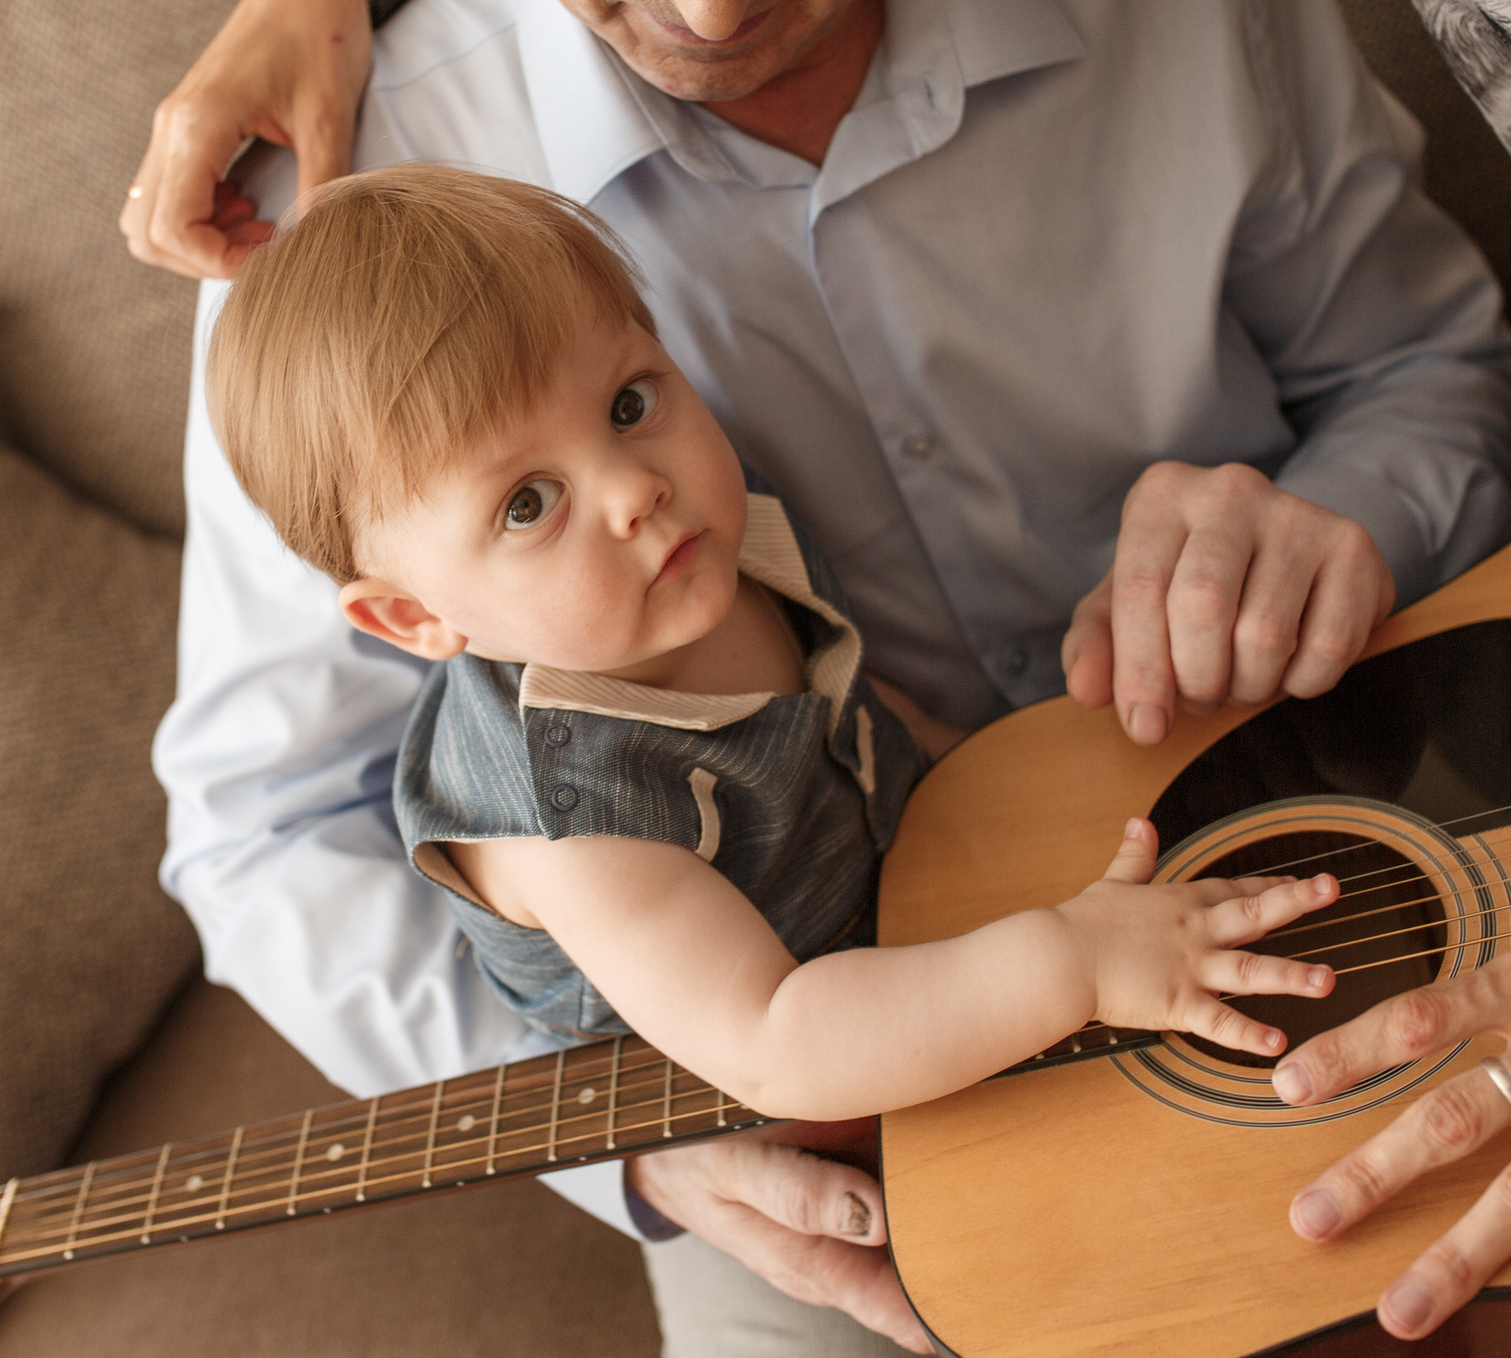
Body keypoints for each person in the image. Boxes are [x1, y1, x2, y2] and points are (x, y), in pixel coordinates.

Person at [136, 0, 1511, 1342]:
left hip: (1316, 827)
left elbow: (1425, 371)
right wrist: (631, 1137)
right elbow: (265, 831)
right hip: (812, 1087)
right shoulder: (341, 215)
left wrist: (1348, 515)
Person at [209, 163, 1344, 1118]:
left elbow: (846, 708)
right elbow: (776, 1043)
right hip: (751, 1082)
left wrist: (1003, 797)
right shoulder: (570, 824)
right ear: (415, 620)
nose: (634, 492)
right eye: (525, 504)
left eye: (627, 404)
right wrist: (1074, 961)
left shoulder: (703, 539)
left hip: (899, 909)